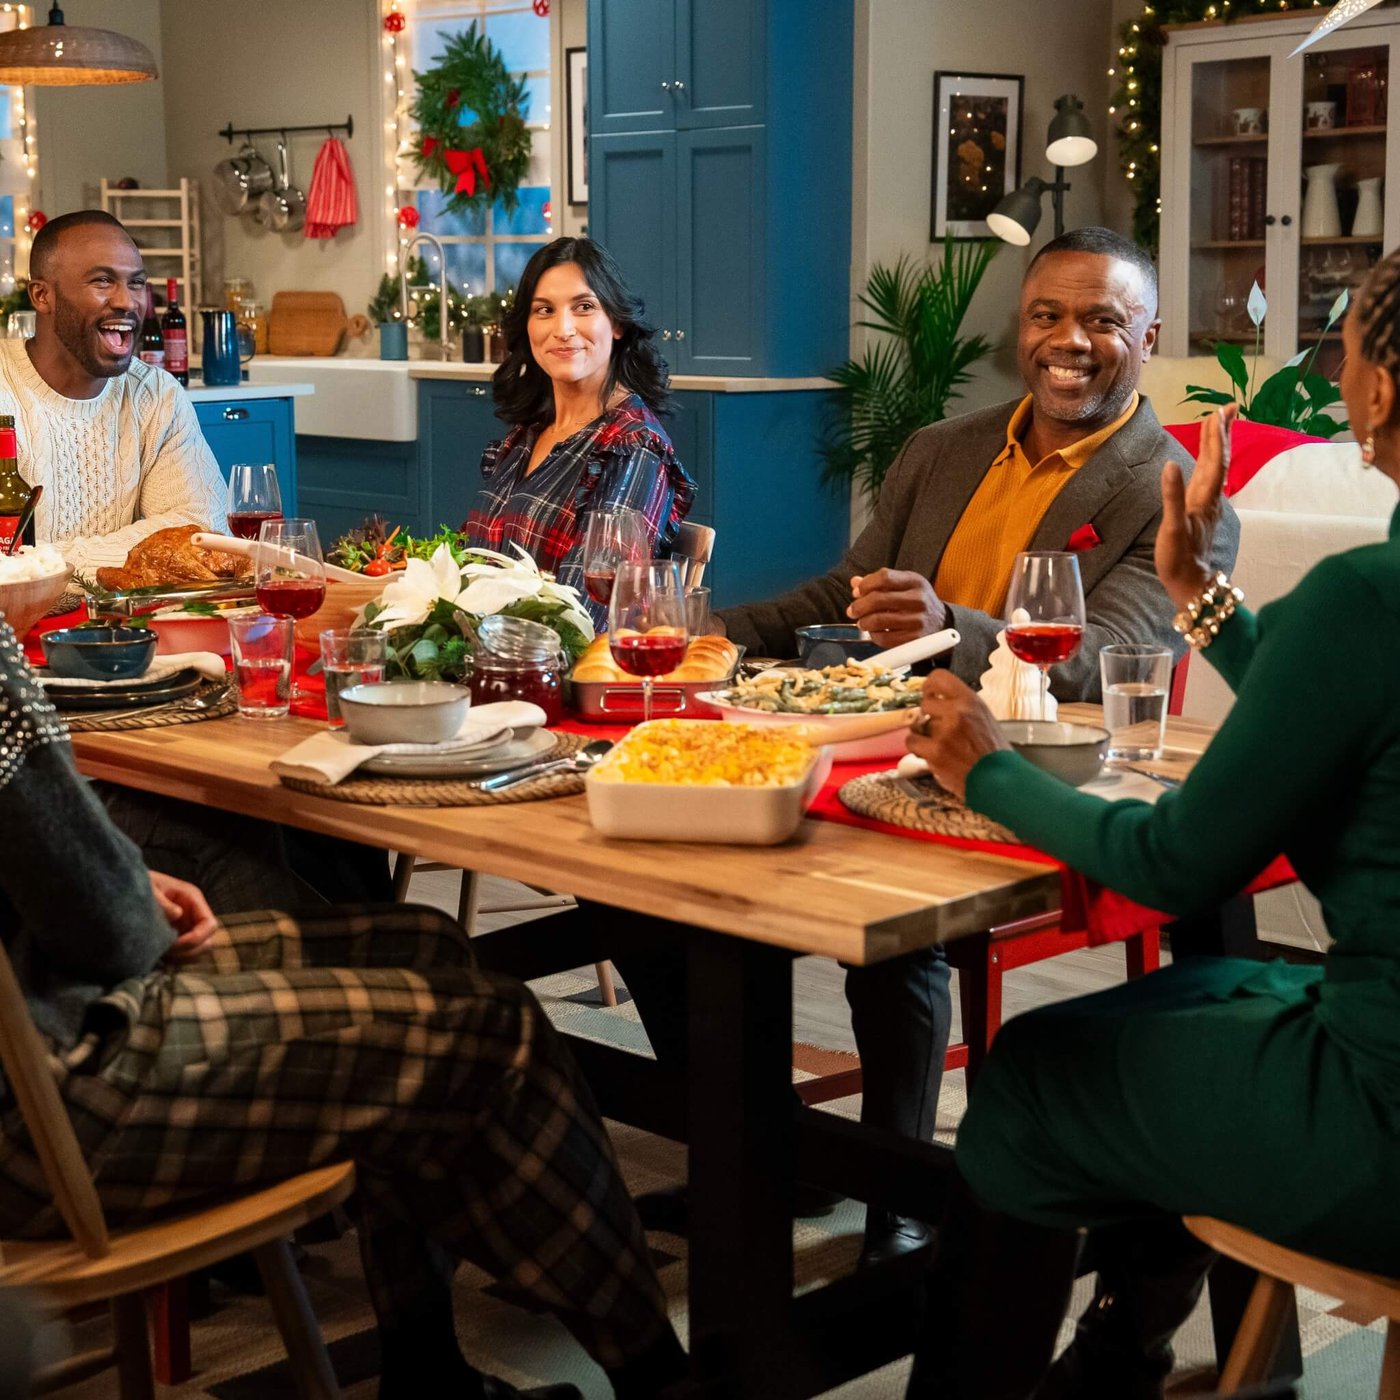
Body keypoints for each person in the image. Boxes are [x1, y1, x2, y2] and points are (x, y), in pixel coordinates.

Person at [616, 227, 1242, 1266]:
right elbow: (844, 593)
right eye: (1048, 315)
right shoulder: (942, 450)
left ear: (1148, 335)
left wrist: (948, 616)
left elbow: (1106, 658)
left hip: (1021, 774)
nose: (1069, 341)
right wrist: (721, 632)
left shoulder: (1167, 486)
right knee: (652, 881)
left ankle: (894, 1194)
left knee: (885, 933)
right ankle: (764, 1149)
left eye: (1101, 320)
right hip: (871, 737)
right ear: (1020, 325)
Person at [900, 248, 1400, 1399]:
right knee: (1185, 1001)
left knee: (1031, 1070)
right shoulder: (1361, 611)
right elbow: (1335, 709)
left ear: (1372, 391)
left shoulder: (1364, 593)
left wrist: (983, 769)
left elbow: (1174, 862)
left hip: (1376, 1121)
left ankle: (1082, 1364)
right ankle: (1128, 1354)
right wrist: (1201, 600)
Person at [0, 620, 688, 1400]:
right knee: (492, 1031)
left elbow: (44, 856)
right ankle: (661, 1380)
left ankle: (424, 1370)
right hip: (41, 1093)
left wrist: (116, 881)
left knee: (423, 947)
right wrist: (111, 896)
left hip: (36, 1005)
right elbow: (100, 920)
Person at [461, 237, 696, 628]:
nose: (563, 329)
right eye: (544, 310)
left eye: (584, 307)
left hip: (552, 677)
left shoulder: (632, 448)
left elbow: (583, 622)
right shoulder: (526, 436)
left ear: (617, 323)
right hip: (485, 662)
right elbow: (470, 566)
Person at [3, 209, 226, 572]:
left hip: (133, 626)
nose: (127, 301)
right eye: (103, 281)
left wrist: (42, 565)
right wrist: (136, 560)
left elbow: (203, 531)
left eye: (136, 283)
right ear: (42, 296)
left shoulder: (156, 394)